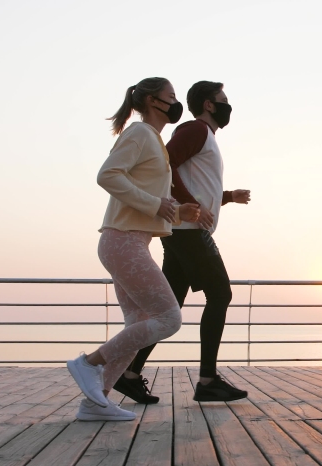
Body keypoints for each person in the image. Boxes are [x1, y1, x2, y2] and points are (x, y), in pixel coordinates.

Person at [66, 77, 200, 421]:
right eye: (171, 96)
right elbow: (108, 175)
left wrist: (173, 209)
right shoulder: (140, 133)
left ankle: (95, 404)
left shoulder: (153, 140)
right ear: (154, 101)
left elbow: (147, 193)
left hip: (130, 240)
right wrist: (155, 204)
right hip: (123, 239)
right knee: (169, 318)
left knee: (138, 323)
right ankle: (88, 364)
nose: (175, 102)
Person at [113, 81, 251, 403]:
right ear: (208, 105)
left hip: (182, 231)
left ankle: (130, 374)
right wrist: (191, 205)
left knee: (168, 308)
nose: (228, 106)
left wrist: (227, 197)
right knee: (220, 294)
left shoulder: (206, 137)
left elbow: (197, 182)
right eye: (223, 101)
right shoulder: (196, 130)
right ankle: (207, 380)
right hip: (188, 232)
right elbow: (164, 165)